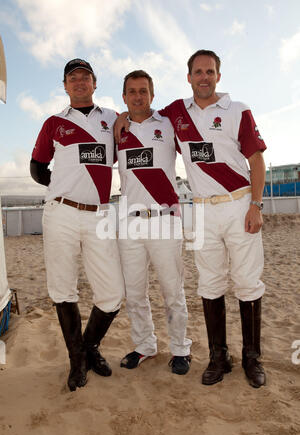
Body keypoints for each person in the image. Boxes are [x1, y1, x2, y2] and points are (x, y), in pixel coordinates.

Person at [115, 51, 266, 388]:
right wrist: (121, 116)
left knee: (247, 283)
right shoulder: (175, 114)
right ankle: (218, 358)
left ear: (218, 76)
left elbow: (256, 159)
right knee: (210, 283)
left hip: (239, 203)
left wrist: (256, 204)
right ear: (188, 77)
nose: (203, 77)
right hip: (201, 210)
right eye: (198, 72)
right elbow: (139, 112)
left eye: (209, 71)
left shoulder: (237, 110)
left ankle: (252, 360)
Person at [30, 58, 125, 392]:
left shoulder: (113, 119)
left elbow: (132, 140)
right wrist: (63, 186)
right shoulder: (54, 123)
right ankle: (77, 361)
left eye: (86, 77)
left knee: (113, 294)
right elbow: (37, 168)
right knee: (63, 289)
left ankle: (88, 346)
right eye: (73, 78)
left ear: (95, 83)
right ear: (65, 86)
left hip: (99, 213)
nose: (80, 82)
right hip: (61, 214)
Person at [116, 70, 192, 375]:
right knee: (134, 293)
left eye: (143, 91)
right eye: (132, 92)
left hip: (165, 219)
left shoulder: (168, 122)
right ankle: (145, 346)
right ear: (124, 97)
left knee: (172, 290)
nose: (137, 96)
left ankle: (180, 349)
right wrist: (122, 116)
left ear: (152, 94)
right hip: (129, 223)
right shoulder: (116, 129)